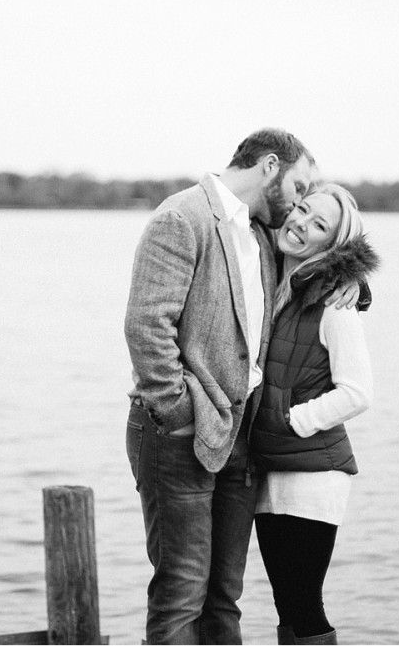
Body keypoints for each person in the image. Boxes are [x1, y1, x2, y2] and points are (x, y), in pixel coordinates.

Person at [124, 129, 319, 645]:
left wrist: (352, 280)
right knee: (182, 591)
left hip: (241, 436)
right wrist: (180, 412)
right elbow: (147, 327)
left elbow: (326, 253)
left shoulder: (263, 235)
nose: (302, 204)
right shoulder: (181, 217)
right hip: (180, 431)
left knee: (224, 597)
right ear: (270, 166)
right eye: (300, 187)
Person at [249, 184, 378, 646]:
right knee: (287, 605)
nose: (301, 223)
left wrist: (292, 421)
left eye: (319, 224)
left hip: (313, 474)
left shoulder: (335, 305)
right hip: (273, 468)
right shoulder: (276, 286)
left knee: (304, 604)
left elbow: (358, 392)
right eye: (301, 209)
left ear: (331, 246)